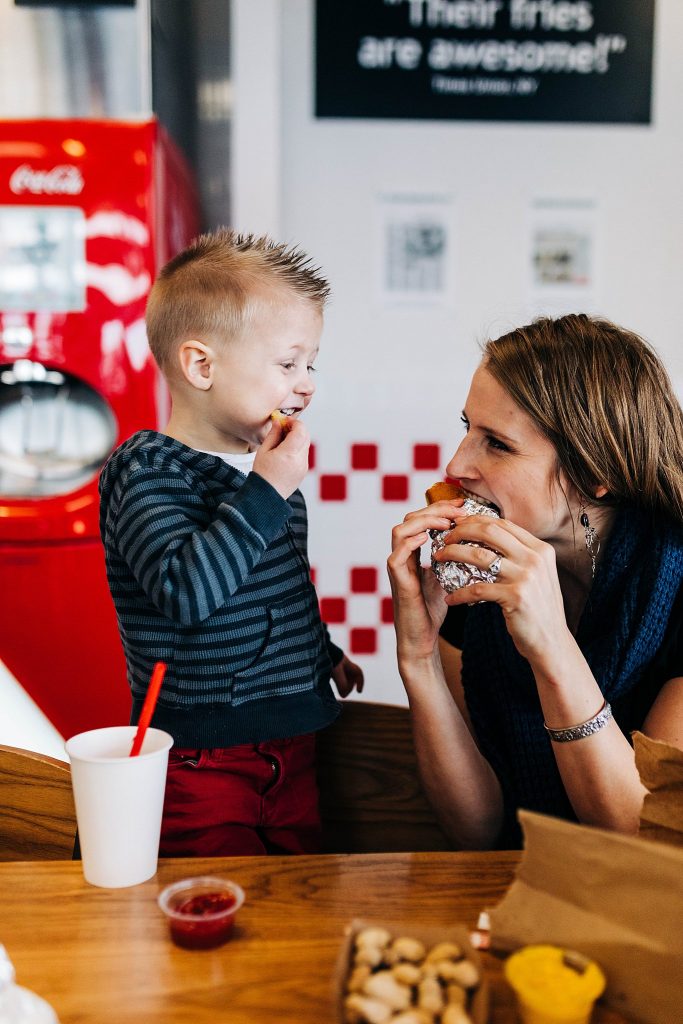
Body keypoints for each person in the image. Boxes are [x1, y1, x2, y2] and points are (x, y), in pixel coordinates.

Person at [99, 228, 363, 857]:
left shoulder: (270, 476)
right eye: (288, 363)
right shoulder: (149, 471)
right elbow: (187, 593)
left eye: (311, 364)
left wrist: (320, 653)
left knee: (296, 894)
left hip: (293, 738)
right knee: (215, 891)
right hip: (201, 753)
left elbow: (278, 590)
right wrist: (268, 491)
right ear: (200, 366)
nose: (307, 384)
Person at [388, 313, 683, 850]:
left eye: (497, 444)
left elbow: (650, 840)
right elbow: (475, 831)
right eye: (467, 429)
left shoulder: (678, 588)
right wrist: (419, 656)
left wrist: (550, 644)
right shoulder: (475, 578)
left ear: (598, 472)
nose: (456, 465)